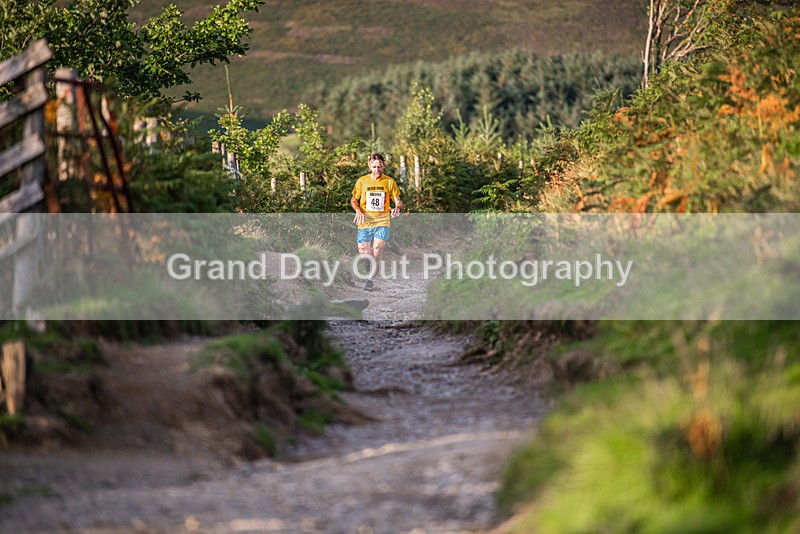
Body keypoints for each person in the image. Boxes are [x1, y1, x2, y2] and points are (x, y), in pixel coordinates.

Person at [350, 152, 404, 291]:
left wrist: (397, 209)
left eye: (379, 167)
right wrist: (358, 210)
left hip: (382, 221)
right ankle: (368, 264)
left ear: (384, 166)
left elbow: (398, 201)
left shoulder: (389, 181)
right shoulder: (362, 181)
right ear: (369, 166)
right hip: (365, 221)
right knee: (364, 254)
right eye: (374, 167)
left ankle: (370, 280)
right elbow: (353, 200)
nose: (377, 170)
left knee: (378, 249)